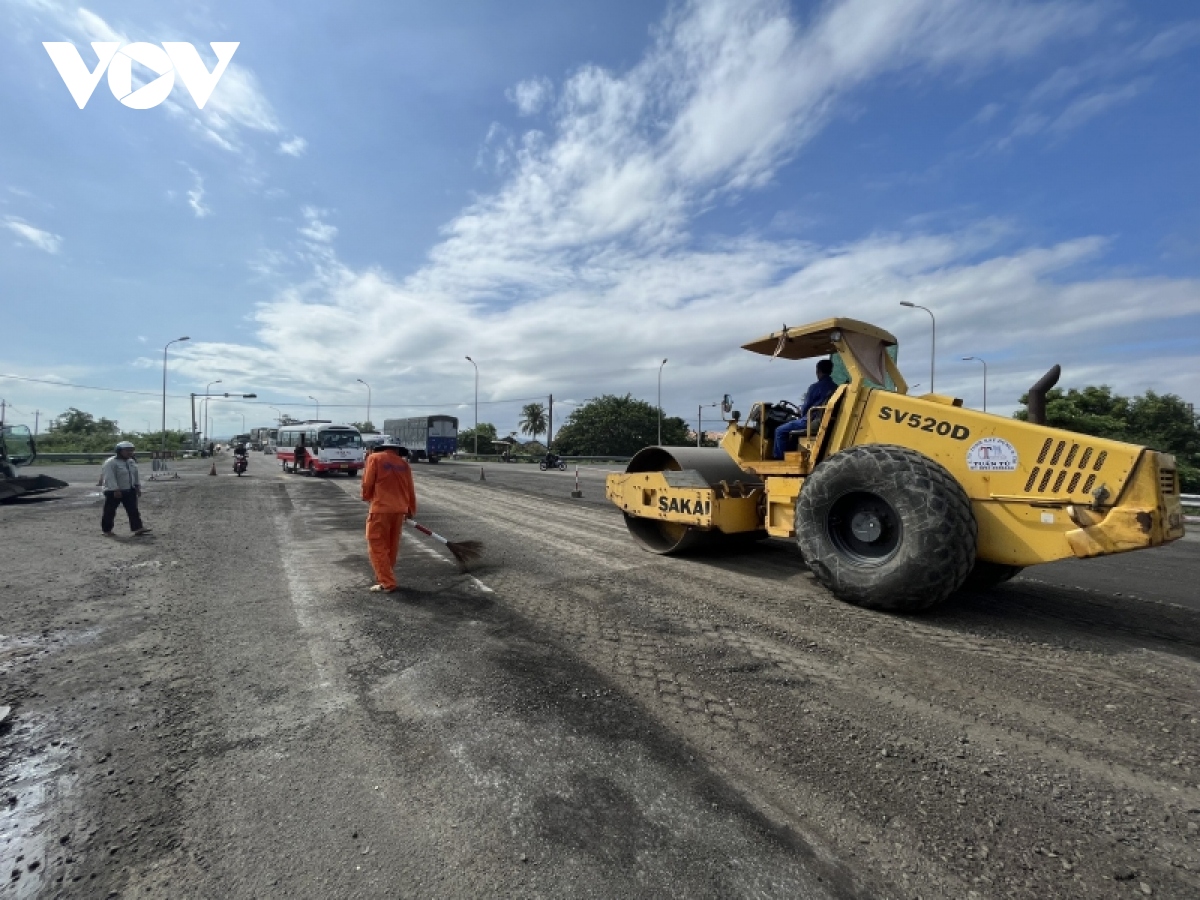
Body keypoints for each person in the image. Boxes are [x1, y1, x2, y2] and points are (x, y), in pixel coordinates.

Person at [360, 441, 417, 593]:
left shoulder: (374, 458)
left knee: (377, 545)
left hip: (381, 509)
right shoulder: (404, 464)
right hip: (399, 510)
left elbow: (367, 482)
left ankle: (387, 581)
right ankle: (385, 578)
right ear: (397, 450)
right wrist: (410, 510)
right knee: (391, 546)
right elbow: (410, 488)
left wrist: (366, 496)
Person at [773, 358, 838, 459]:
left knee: (779, 431)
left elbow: (806, 407)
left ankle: (780, 460)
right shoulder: (835, 387)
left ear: (818, 371)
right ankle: (793, 457)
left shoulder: (815, 387)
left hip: (811, 420)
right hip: (822, 419)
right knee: (793, 434)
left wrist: (801, 412)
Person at [101, 441, 151, 537]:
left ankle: (138, 528)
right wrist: (115, 489)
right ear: (119, 451)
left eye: (131, 450)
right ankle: (107, 530)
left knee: (133, 510)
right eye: (127, 450)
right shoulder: (111, 463)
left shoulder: (131, 462)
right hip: (114, 491)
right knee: (109, 511)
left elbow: (135, 475)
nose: (130, 453)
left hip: (129, 489)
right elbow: (109, 477)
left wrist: (137, 486)